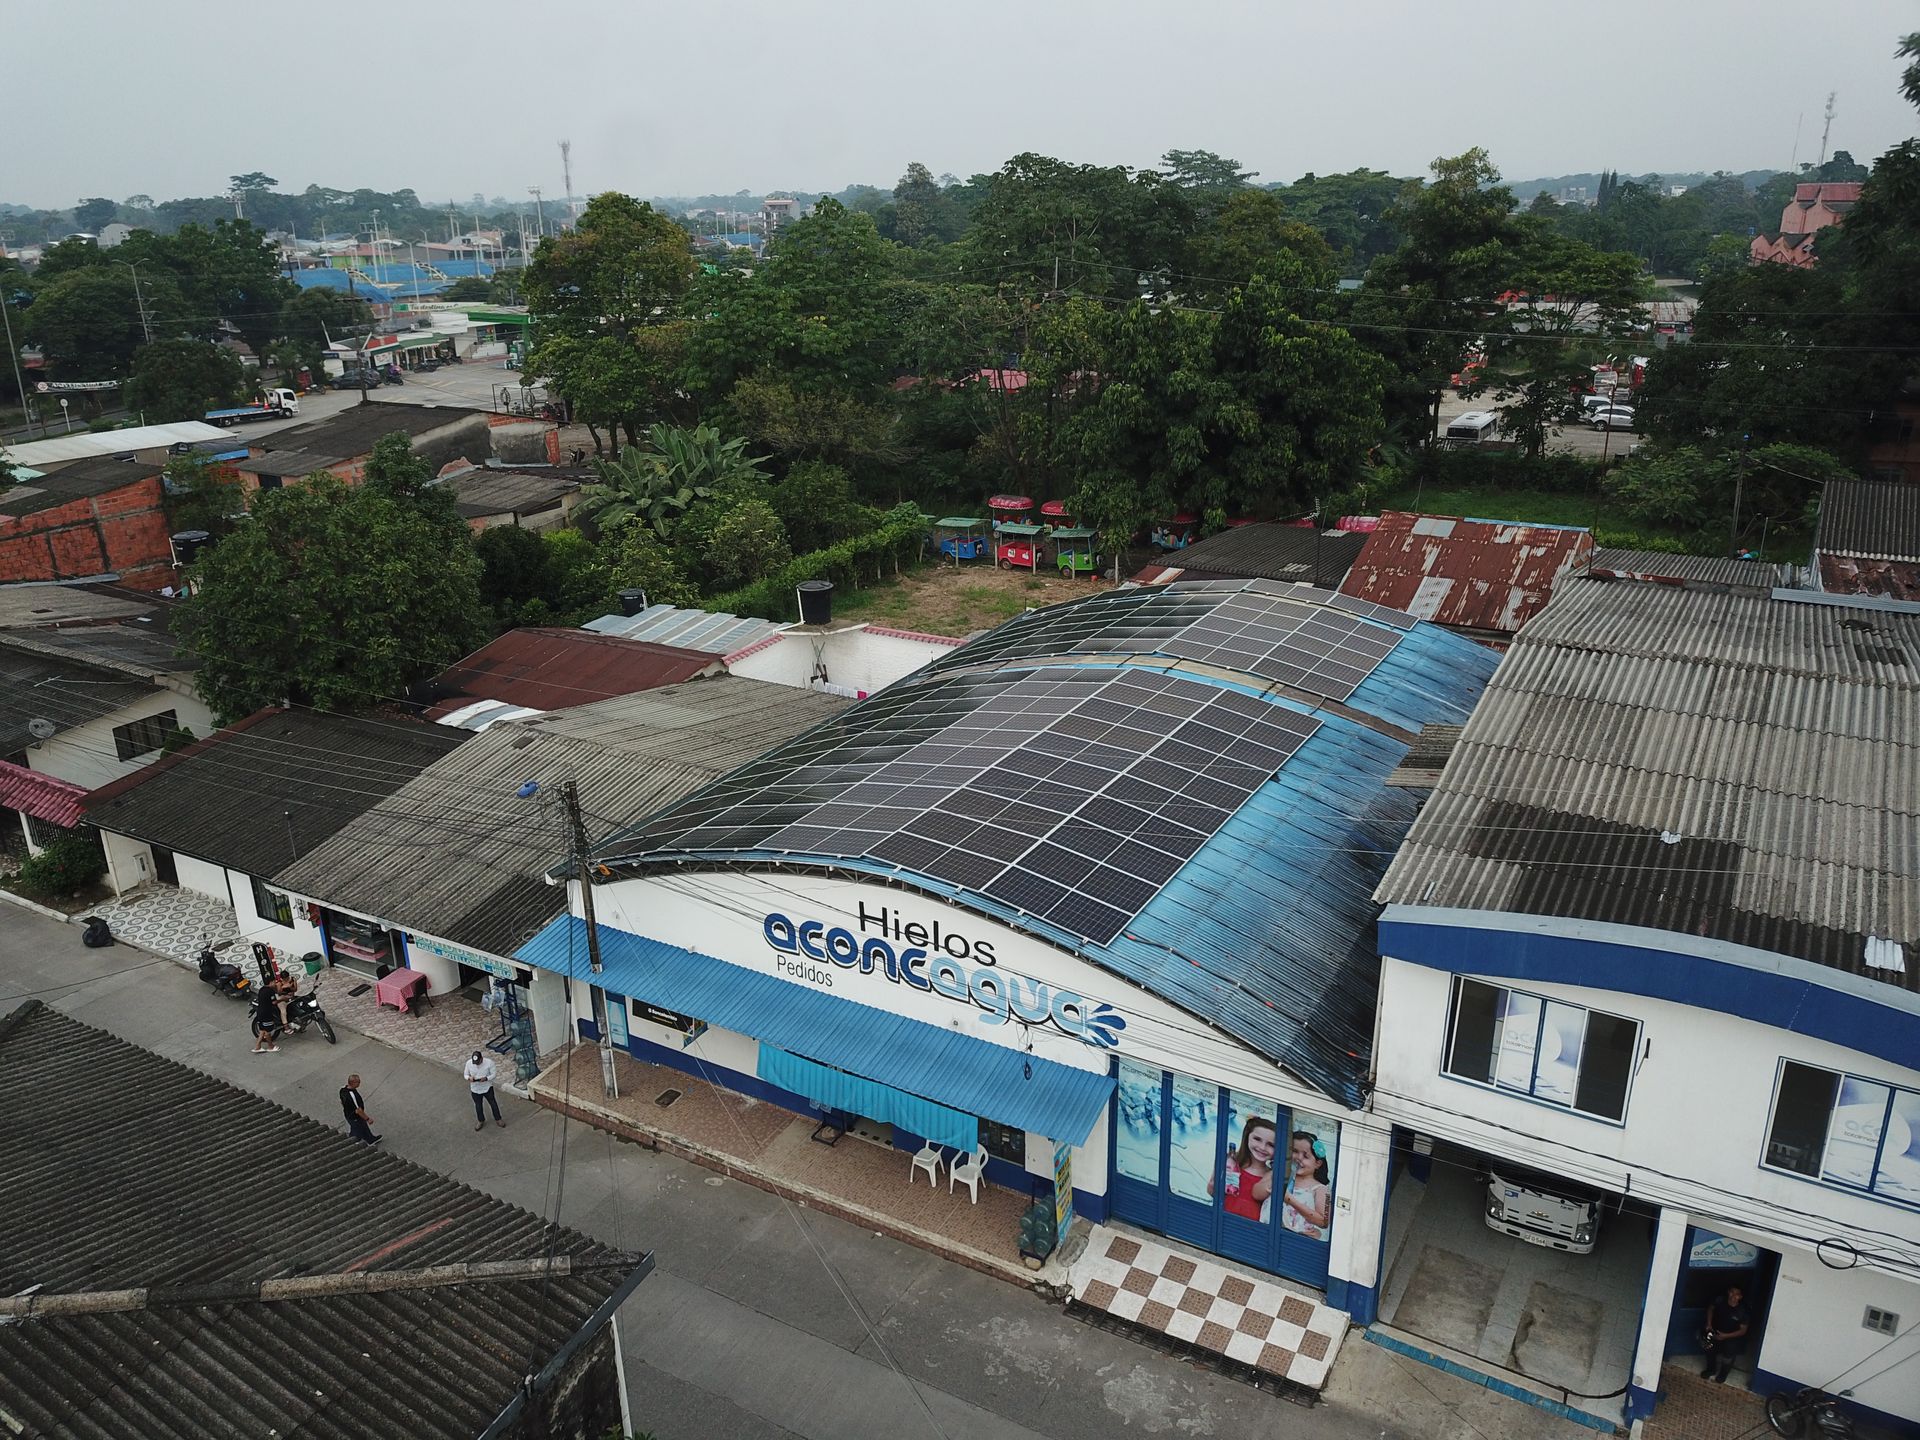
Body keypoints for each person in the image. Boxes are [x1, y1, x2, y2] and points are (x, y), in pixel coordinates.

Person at [1212, 1117, 1276, 1222]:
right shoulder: (1230, 1161)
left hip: (1252, 1231)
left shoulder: (1272, 1175)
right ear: (1247, 1137)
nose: (1263, 1147)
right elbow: (1212, 1191)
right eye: (1257, 1139)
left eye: (1271, 1145)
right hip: (1222, 1220)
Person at [1278, 1130, 1333, 1237]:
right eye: (1294, 1151)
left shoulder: (1320, 1189)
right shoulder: (1281, 1175)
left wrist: (1290, 1200)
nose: (1298, 1158)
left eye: (1306, 1156)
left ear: (1318, 1163)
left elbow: (1324, 1222)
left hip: (1296, 1239)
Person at [1700, 1285, 1752, 1382]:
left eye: (1737, 1294)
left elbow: (1743, 1330)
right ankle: (1711, 1369)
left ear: (1740, 1297)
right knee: (1708, 1348)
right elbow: (1711, 1308)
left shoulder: (1743, 1311)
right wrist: (1709, 1323)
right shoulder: (1720, 1300)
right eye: (1732, 1292)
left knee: (1728, 1355)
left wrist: (1725, 1336)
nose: (1733, 1296)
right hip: (1716, 1330)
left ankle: (1723, 1374)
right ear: (1728, 1292)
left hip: (1731, 1336)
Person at [466, 1049, 504, 1130]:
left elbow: (493, 1074)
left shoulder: (489, 1063)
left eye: (478, 1062)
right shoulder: (469, 1063)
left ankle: (498, 1119)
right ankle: (480, 1120)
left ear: (482, 1059)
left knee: (493, 1103)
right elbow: (465, 1074)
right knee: (478, 1106)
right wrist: (469, 1078)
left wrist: (486, 1078)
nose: (477, 1065)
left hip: (487, 1087)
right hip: (475, 1089)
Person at [339, 1074, 380, 1145]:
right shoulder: (352, 1095)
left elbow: (342, 1102)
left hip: (348, 1114)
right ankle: (355, 1142)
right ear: (353, 1083)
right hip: (355, 1117)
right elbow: (358, 1110)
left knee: (360, 1127)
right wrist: (367, 1119)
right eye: (358, 1082)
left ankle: (370, 1139)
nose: (359, 1083)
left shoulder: (343, 1090)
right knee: (358, 1129)